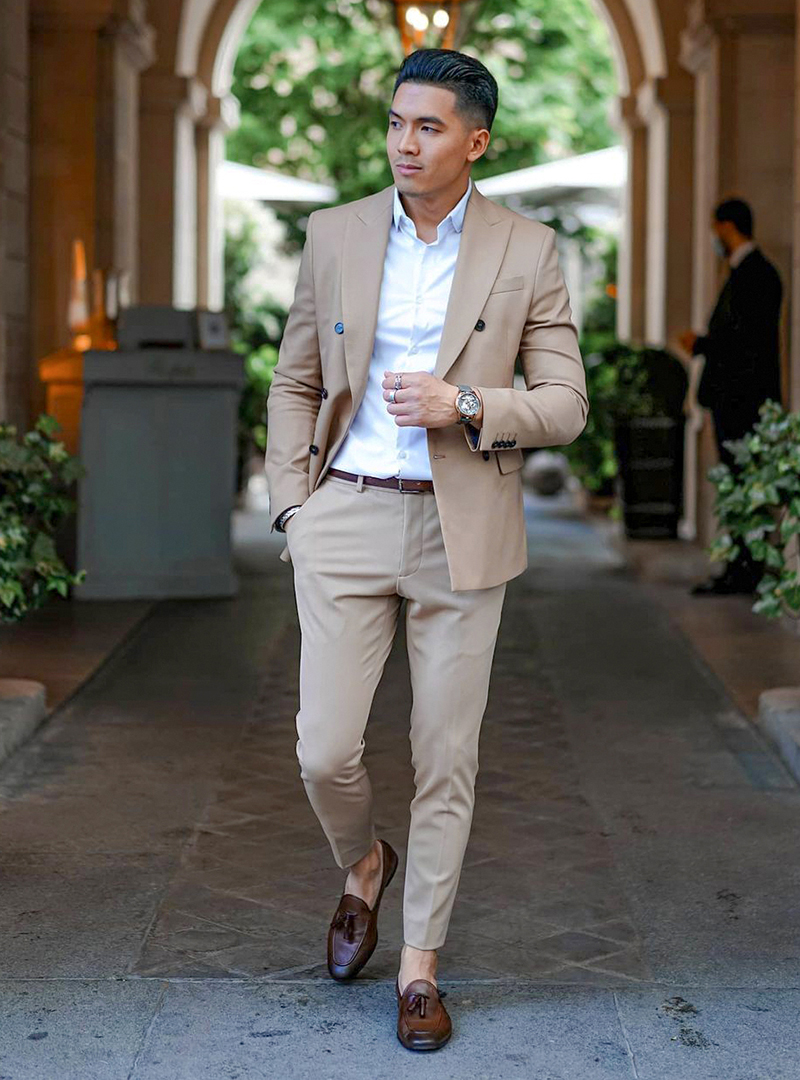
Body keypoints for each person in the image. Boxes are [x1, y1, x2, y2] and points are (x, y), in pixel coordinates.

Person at [264, 47, 588, 1051]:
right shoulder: (335, 233)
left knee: (445, 754)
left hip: (461, 529)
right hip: (347, 514)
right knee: (324, 747)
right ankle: (363, 862)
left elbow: (567, 404)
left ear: (474, 140)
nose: (405, 143)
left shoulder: (525, 250)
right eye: (398, 124)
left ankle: (417, 965)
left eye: (429, 127)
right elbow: (296, 379)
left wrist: (469, 406)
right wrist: (291, 507)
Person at [679, 198, 783, 596]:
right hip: (736, 400)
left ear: (726, 227)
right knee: (739, 484)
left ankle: (745, 569)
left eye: (715, 228)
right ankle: (741, 566)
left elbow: (745, 342)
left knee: (743, 484)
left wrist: (702, 343)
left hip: (743, 402)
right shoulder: (748, 272)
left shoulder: (756, 274)